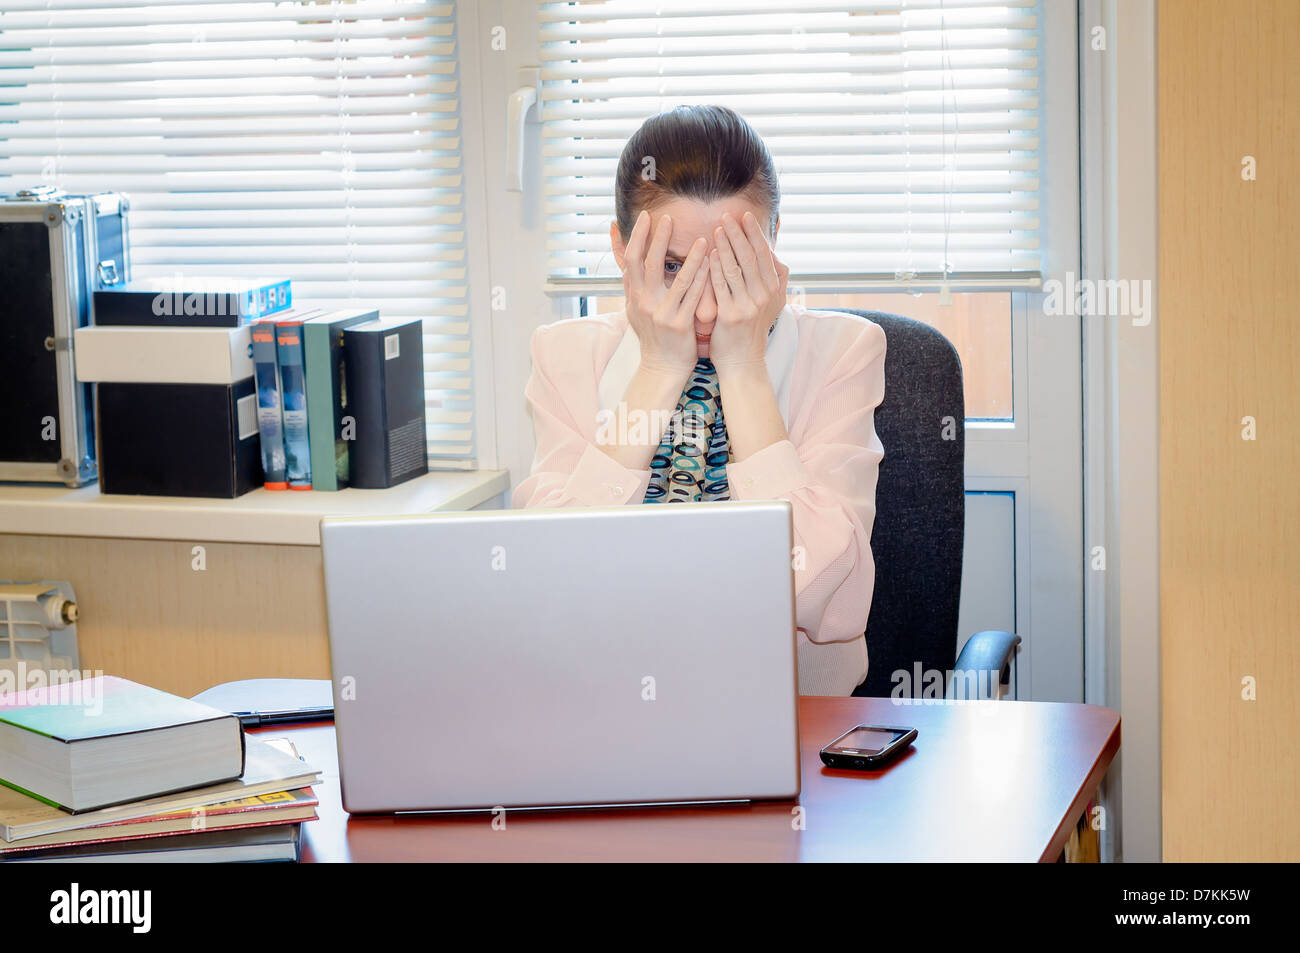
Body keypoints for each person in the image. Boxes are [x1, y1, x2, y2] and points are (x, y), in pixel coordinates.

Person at [512, 105, 886, 696]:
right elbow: (550, 584)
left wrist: (743, 368)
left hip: (789, 712)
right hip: (600, 697)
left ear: (775, 243)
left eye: (735, 266)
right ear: (619, 248)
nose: (707, 307)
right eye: (672, 268)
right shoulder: (563, 357)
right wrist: (659, 368)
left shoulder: (845, 351)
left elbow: (827, 599)